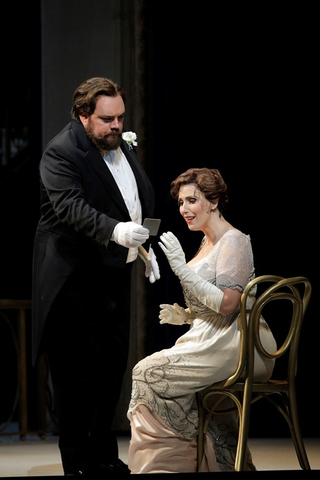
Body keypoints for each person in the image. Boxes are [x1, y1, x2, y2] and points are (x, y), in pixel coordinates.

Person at [31, 77, 160, 476]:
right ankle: (79, 463)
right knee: (77, 376)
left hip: (112, 275)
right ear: (83, 115)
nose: (117, 126)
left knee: (110, 369)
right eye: (107, 119)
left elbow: (134, 198)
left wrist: (145, 243)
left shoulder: (118, 145)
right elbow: (71, 208)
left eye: (121, 117)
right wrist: (116, 231)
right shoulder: (61, 152)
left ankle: (103, 455)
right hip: (74, 280)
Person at [127, 167, 277, 473]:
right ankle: (209, 462)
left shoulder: (234, 241)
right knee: (156, 374)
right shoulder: (205, 242)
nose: (184, 209)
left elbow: (228, 303)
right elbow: (211, 302)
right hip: (211, 336)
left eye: (192, 200)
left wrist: (182, 271)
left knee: (146, 373)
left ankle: (168, 467)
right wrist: (186, 315)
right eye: (181, 202)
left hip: (240, 341)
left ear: (214, 201)